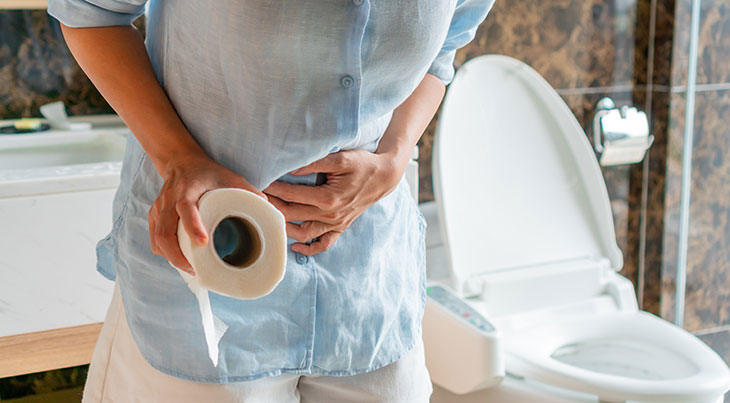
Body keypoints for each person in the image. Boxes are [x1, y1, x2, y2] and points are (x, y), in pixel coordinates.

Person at [49, 1, 494, 401]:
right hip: (204, 277)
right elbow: (90, 13)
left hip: (365, 283)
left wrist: (396, 155)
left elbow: (446, 44)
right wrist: (179, 158)